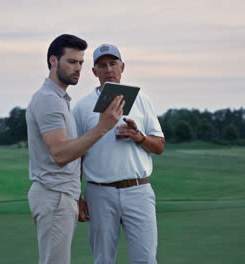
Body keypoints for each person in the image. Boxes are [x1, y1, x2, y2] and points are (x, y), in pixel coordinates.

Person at [26, 35, 125, 264]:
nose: (78, 68)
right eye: (71, 62)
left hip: (60, 195)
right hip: (55, 195)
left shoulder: (60, 98)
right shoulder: (49, 99)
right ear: (53, 61)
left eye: (81, 62)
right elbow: (60, 154)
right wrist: (103, 127)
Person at [73, 44, 165, 264]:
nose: (108, 70)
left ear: (122, 67)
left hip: (139, 190)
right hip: (99, 192)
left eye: (113, 64)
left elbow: (159, 146)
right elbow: (76, 155)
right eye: (102, 65)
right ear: (94, 72)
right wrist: (76, 196)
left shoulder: (141, 100)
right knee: (103, 259)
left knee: (146, 259)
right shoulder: (82, 107)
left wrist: (139, 137)